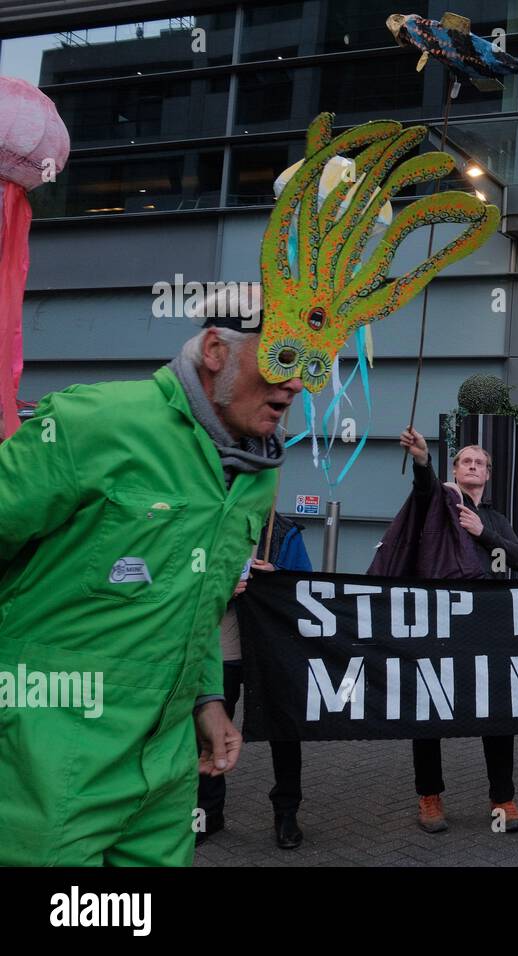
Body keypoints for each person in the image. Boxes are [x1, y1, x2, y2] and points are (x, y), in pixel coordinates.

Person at [0, 284, 294, 865]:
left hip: (165, 771)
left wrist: (208, 699)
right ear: (216, 350)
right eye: (283, 359)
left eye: (314, 366)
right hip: (48, 753)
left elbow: (197, 600)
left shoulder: (259, 474)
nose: (298, 384)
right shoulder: (95, 422)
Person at [397, 426, 518, 833]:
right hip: (438, 625)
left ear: (488, 475)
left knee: (497, 713)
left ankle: (502, 798)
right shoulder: (438, 504)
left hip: (488, 628)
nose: (473, 467)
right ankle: (429, 796)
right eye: (466, 461)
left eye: (480, 463)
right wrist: (423, 460)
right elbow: (422, 488)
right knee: (430, 712)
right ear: (454, 470)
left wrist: (483, 533)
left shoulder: (495, 518)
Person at [196, 511, 313, 850]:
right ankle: (208, 813)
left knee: (284, 727)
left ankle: (287, 812)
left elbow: (304, 582)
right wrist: (221, 587)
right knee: (211, 724)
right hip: (227, 635)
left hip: (273, 641)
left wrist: (277, 577)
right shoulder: (213, 520)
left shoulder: (287, 531)